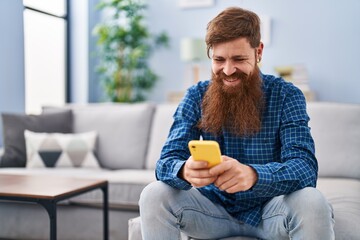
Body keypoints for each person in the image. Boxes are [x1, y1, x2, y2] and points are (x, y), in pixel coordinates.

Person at [139, 7, 334, 240]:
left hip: (270, 212)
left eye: (239, 59)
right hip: (210, 212)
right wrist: (183, 170)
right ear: (210, 54)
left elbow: (305, 168)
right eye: (219, 60)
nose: (228, 70)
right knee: (153, 194)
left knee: (313, 200)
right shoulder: (196, 95)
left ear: (258, 51)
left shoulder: (287, 95)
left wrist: (253, 175)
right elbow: (166, 162)